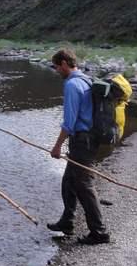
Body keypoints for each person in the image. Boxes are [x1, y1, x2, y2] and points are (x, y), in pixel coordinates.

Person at [46, 49, 111, 245]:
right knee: (69, 181)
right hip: (89, 138)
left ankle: (99, 232)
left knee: (84, 185)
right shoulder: (85, 79)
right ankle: (67, 222)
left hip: (83, 141)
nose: (57, 70)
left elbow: (69, 122)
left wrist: (57, 146)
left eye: (57, 66)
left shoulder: (72, 85)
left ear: (65, 63)